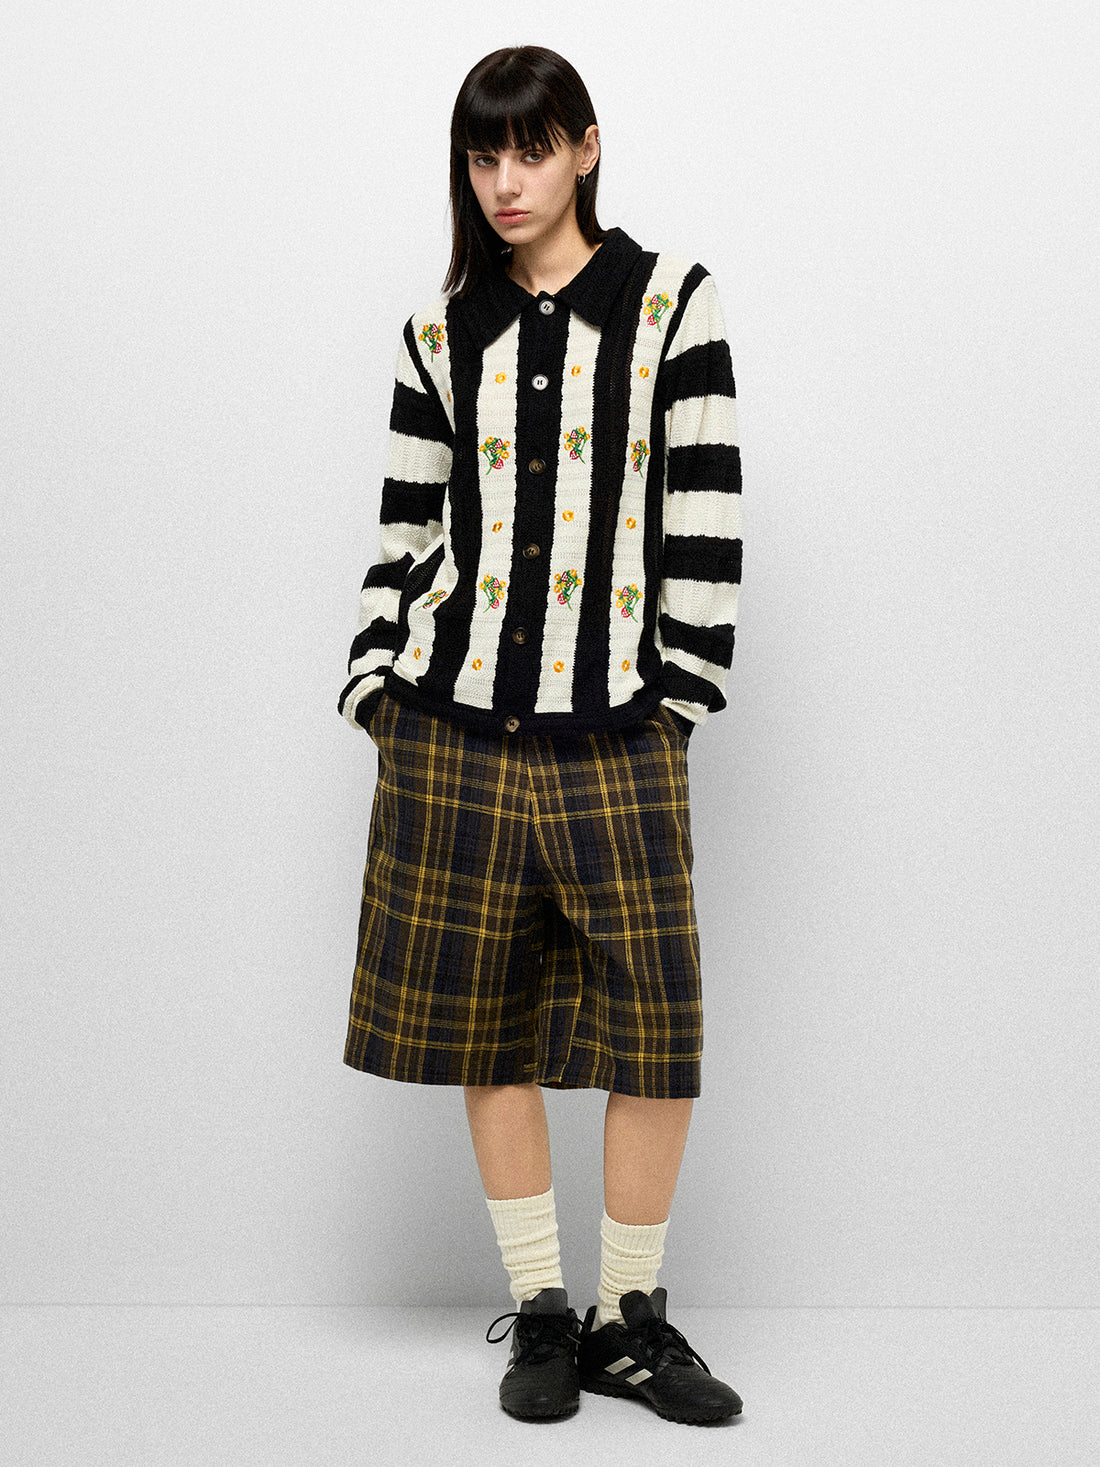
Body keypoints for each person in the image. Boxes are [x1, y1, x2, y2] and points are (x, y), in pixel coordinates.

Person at [337, 45, 744, 1426]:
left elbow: (704, 514)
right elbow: (405, 530)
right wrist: (379, 691)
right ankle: (548, 1316)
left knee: (655, 1027)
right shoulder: (440, 333)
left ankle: (633, 1318)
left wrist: (674, 699)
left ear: (585, 148)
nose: (505, 182)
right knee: (488, 1024)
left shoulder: (672, 305)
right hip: (452, 730)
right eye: (482, 156)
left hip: (616, 730)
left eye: (531, 150)